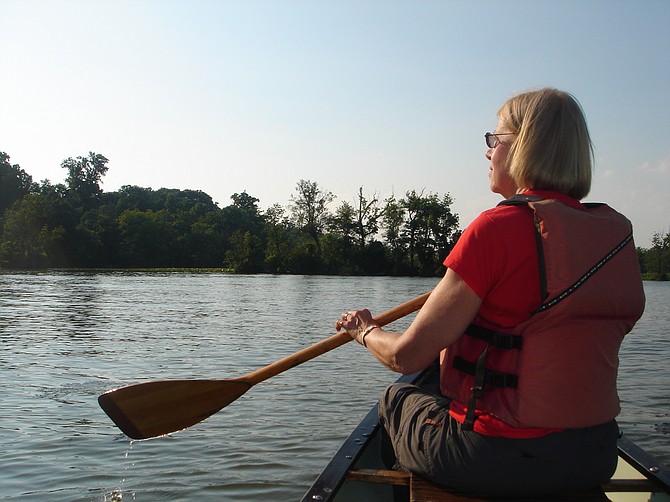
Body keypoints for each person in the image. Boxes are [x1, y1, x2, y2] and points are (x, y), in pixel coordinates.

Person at [335, 88, 646, 497]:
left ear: (523, 147)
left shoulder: (495, 228)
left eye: (494, 139)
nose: (488, 152)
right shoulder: (617, 234)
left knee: (396, 397)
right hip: (593, 452)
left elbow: (404, 355)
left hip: (497, 456)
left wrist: (364, 330)